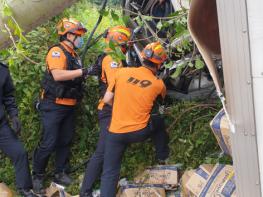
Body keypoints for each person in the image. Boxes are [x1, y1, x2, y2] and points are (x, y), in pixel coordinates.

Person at [100, 42, 170, 197]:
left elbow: (107, 99)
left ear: (143, 57)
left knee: (109, 172)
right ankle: (163, 157)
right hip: (139, 132)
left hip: (115, 133)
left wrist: (121, 107)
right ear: (160, 65)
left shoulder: (121, 72)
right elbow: (161, 102)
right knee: (158, 120)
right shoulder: (158, 84)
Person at [32, 18, 90, 194]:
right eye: (78, 35)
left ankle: (60, 172)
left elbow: (75, 77)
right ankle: (38, 176)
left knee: (65, 140)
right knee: (49, 142)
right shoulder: (57, 52)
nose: (80, 38)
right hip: (53, 105)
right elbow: (57, 75)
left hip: (70, 104)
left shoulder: (74, 55)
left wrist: (86, 74)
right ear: (68, 34)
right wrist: (83, 71)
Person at [79, 26, 132, 197]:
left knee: (103, 153)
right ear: (120, 41)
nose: (127, 47)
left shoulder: (114, 58)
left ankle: (87, 191)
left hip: (111, 111)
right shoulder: (112, 60)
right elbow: (114, 90)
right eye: (125, 43)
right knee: (102, 153)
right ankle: (86, 192)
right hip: (111, 111)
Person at [0, 62, 37, 197]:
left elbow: (8, 96)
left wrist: (13, 115)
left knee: (19, 153)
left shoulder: (2, 70)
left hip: (1, 126)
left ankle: (25, 189)